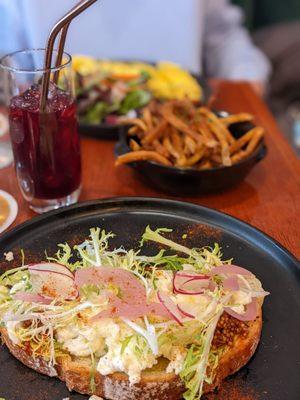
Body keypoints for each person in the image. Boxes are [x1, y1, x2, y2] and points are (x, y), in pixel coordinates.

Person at [0, 0, 271, 93]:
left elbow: (222, 34)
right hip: (62, 128)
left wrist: (246, 78)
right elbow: (11, 59)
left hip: (182, 118)